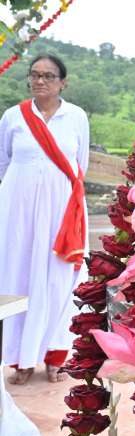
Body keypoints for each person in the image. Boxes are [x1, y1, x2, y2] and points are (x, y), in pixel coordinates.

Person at [0, 54, 89, 384]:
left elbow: (79, 166)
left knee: (57, 280)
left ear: (63, 82)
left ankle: (55, 355)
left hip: (60, 212)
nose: (41, 81)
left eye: (49, 76)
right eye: (35, 75)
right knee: (16, 277)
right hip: (17, 212)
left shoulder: (75, 117)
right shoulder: (13, 117)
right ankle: (18, 359)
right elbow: (4, 164)